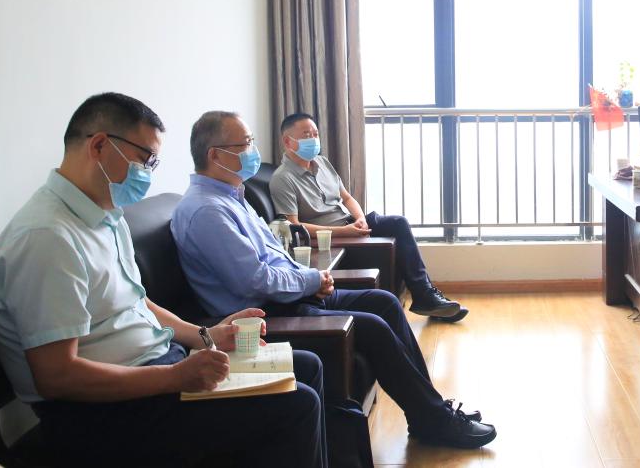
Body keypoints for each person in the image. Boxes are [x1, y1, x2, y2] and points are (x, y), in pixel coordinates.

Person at [0, 94, 326, 467]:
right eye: (145, 159)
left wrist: (206, 336)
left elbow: (137, 302)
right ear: (99, 145)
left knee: (304, 366)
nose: (148, 172)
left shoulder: (104, 217)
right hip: (98, 415)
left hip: (155, 371)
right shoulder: (47, 237)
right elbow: (57, 377)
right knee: (297, 405)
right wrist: (174, 377)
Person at [171, 111, 497, 449]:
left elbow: (274, 255)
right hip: (265, 315)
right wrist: (311, 281)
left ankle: (430, 412)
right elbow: (255, 280)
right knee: (372, 326)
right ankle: (434, 420)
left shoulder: (232, 197)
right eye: (245, 144)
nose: (253, 150)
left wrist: (310, 279)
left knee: (384, 302)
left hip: (288, 296)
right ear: (215, 155)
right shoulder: (208, 211)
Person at [270, 112, 467, 322]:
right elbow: (293, 226)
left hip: (350, 223)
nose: (313, 139)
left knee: (398, 223)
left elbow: (346, 198)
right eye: (306, 134)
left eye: (315, 134)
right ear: (288, 141)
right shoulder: (282, 178)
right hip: (331, 236)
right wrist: (344, 231)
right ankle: (426, 298)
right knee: (395, 228)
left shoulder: (322, 163)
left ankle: (425, 294)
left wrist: (360, 219)